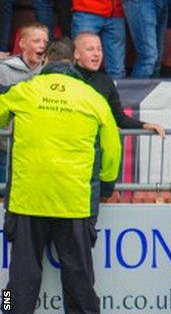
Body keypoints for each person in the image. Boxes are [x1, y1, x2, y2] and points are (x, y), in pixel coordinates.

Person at [0, 37, 121, 314]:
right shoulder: (93, 97)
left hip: (27, 199)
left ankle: (5, 311)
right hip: (73, 200)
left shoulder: (26, 89)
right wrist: (105, 183)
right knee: (80, 280)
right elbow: (112, 148)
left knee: (17, 282)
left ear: (45, 61)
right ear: (72, 62)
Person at [73, 32, 166, 137]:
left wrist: (144, 125)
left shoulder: (105, 81)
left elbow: (119, 118)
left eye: (99, 49)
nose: (96, 54)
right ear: (76, 54)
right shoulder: (66, 78)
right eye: (90, 49)